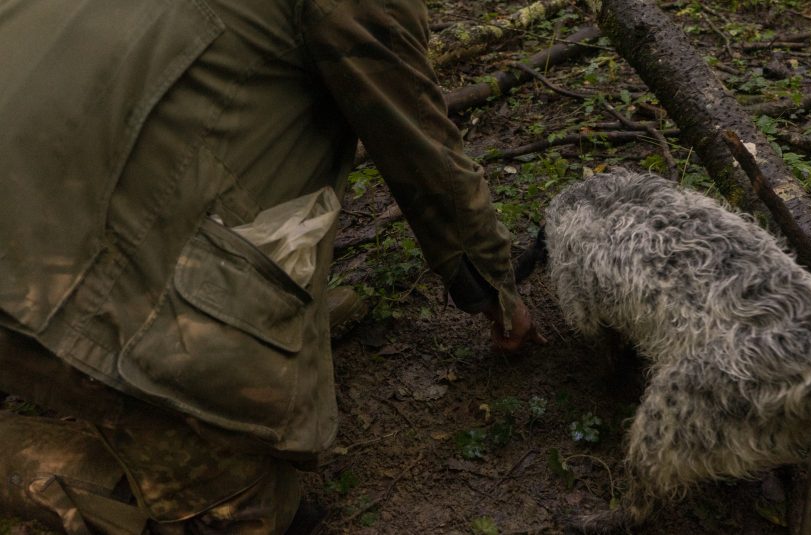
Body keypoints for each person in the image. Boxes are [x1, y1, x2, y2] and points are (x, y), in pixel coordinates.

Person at [0, 0, 543, 532]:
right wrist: (494, 285)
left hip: (42, 196)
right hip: (46, 280)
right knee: (243, 514)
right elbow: (420, 144)